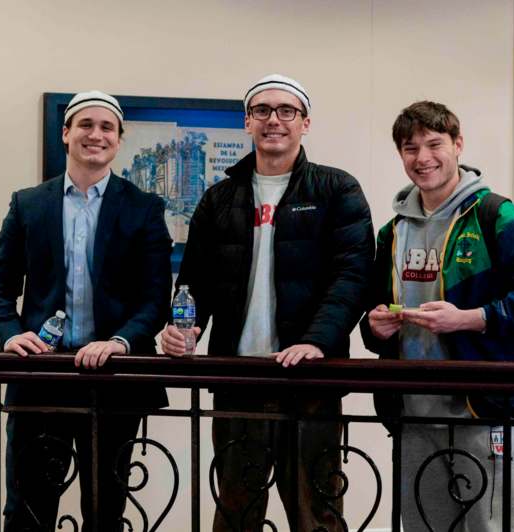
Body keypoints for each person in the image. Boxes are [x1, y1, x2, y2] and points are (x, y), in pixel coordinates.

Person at [160, 74, 374, 531]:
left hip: (310, 383)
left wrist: (318, 341)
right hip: (238, 379)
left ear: (305, 123)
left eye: (286, 111)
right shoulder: (219, 198)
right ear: (247, 121)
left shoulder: (337, 191)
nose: (273, 120)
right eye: (262, 111)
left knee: (316, 513)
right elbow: (194, 282)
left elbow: (352, 277)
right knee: (236, 512)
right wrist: (184, 328)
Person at [360, 100, 514, 531]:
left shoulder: (499, 217)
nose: (423, 158)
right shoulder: (392, 232)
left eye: (435, 144)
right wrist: (374, 326)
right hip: (413, 415)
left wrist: (470, 318)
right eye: (410, 148)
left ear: (458, 144)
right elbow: (374, 320)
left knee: (490, 528)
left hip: (481, 411)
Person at [0, 91, 172, 531]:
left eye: (107, 127)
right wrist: (10, 334)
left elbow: (155, 297)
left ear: (119, 140)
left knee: (105, 512)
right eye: (85, 124)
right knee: (28, 510)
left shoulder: (144, 208)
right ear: (66, 133)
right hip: (41, 379)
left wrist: (120, 341)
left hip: (114, 383)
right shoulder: (28, 204)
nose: (96, 134)